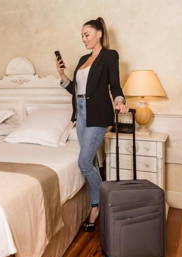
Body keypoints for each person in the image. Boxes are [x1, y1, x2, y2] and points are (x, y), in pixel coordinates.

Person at [56, 17, 128, 232]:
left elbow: (114, 85)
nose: (83, 39)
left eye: (86, 34)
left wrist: (120, 101)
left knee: (84, 161)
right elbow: (75, 90)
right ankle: (99, 203)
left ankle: (97, 207)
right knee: (92, 162)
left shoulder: (109, 56)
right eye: (81, 36)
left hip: (98, 115)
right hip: (80, 113)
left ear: (98, 34)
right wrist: (62, 75)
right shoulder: (82, 59)